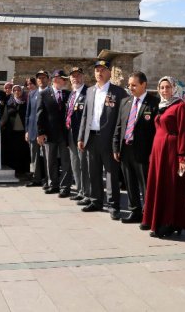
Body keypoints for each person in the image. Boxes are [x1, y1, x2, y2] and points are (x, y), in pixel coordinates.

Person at [142, 76, 185, 237]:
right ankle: (155, 220)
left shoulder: (180, 106)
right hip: (158, 151)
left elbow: (184, 132)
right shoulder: (160, 105)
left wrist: (182, 157)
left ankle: (169, 223)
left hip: (171, 150)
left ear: (174, 88)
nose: (164, 90)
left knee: (170, 186)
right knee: (158, 186)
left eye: (168, 87)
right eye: (162, 87)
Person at [77, 60, 128, 215]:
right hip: (91, 137)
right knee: (93, 171)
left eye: (102, 70)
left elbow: (122, 118)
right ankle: (96, 201)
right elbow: (85, 116)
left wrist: (118, 140)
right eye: (97, 70)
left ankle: (113, 205)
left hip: (109, 138)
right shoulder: (90, 91)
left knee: (111, 173)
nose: (99, 73)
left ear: (109, 72)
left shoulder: (118, 92)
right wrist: (81, 137)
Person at [113, 71, 159, 225]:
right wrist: (115, 147)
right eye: (129, 85)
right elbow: (119, 127)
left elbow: (156, 131)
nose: (130, 88)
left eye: (134, 85)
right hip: (126, 150)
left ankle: (148, 215)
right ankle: (135, 211)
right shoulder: (125, 102)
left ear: (143, 85)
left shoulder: (154, 103)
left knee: (145, 184)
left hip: (144, 152)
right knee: (130, 183)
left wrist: (153, 152)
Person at [37, 70, 71, 196]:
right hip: (49, 133)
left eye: (61, 78)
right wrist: (40, 132)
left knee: (66, 161)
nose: (58, 80)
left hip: (65, 134)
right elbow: (40, 114)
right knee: (50, 160)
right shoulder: (45, 93)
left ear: (64, 81)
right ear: (53, 80)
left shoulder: (69, 94)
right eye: (56, 78)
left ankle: (65, 187)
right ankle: (53, 184)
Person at [65, 67, 89, 202]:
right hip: (70, 133)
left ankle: (87, 192)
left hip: (82, 136)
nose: (75, 78)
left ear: (83, 77)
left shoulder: (88, 93)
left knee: (84, 164)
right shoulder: (71, 94)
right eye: (73, 76)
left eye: (78, 75)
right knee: (75, 163)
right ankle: (80, 190)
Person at [25, 71, 48, 187]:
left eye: (44, 78)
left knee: (47, 157)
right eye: (39, 78)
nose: (41, 80)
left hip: (46, 132)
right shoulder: (32, 94)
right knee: (35, 156)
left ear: (48, 79)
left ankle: (48, 180)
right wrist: (27, 130)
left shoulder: (51, 93)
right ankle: (36, 178)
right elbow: (28, 114)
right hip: (33, 131)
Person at [0, 84, 29, 175]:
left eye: (19, 90)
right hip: (11, 132)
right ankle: (13, 170)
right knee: (12, 151)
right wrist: (0, 126)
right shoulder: (9, 102)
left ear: (22, 91)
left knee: (23, 152)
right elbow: (5, 116)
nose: (17, 92)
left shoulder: (26, 102)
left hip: (23, 132)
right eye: (15, 90)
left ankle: (23, 171)